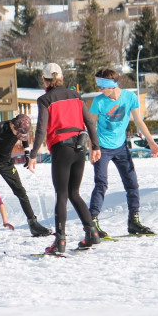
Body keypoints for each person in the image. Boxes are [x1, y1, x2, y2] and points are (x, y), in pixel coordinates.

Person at [27, 63, 101, 254]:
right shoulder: (76, 96)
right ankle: (91, 232)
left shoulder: (45, 99)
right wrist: (95, 146)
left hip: (62, 149)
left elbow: (42, 128)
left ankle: (60, 241)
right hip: (79, 148)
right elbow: (89, 122)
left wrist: (33, 154)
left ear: (44, 79)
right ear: (61, 77)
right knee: (74, 192)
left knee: (62, 194)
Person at [88, 68, 158, 236]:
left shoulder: (130, 97)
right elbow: (90, 126)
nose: (99, 90)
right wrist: (92, 149)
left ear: (112, 85)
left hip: (121, 147)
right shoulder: (98, 102)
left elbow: (138, 120)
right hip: (102, 148)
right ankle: (92, 223)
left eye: (102, 87)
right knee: (101, 183)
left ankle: (134, 221)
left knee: (132, 184)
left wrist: (151, 142)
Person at [0, 113, 52, 242]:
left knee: (21, 192)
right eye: (17, 132)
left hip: (6, 163)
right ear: (13, 124)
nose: (19, 136)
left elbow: (24, 138)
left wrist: (26, 153)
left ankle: (33, 224)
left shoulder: (20, 129)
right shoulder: (0, 126)